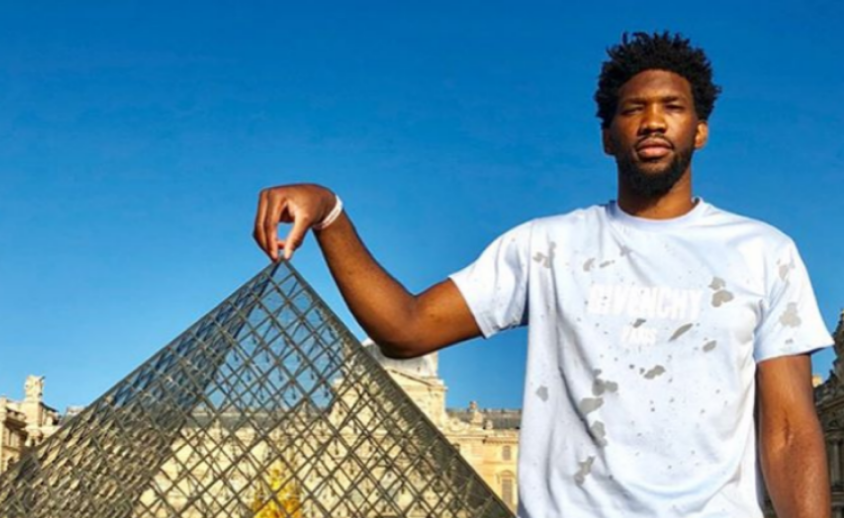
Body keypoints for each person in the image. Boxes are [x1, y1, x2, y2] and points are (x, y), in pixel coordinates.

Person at [253, 32, 832, 518]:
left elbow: (788, 430)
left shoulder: (763, 252)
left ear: (699, 129)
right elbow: (404, 328)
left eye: (672, 107)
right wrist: (331, 214)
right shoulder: (544, 247)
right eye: (633, 109)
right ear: (607, 136)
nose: (653, 121)